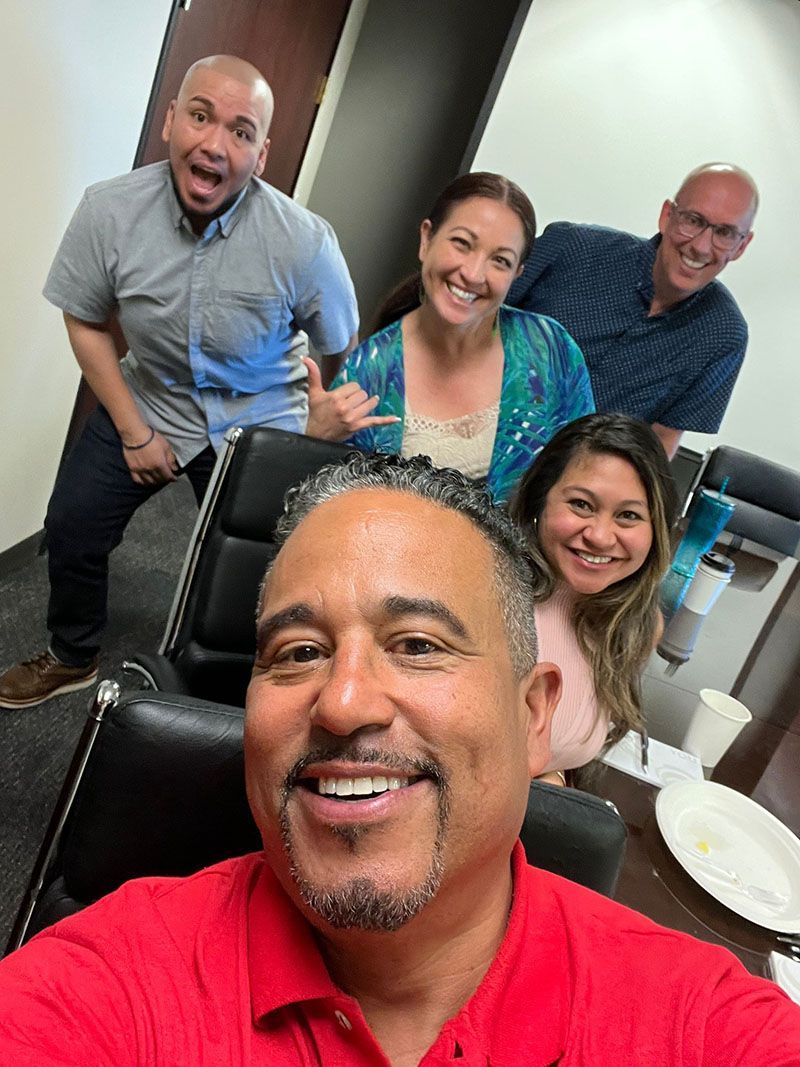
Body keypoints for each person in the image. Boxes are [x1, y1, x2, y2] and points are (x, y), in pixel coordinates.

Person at [0, 453, 798, 1066]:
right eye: (299, 651)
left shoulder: (692, 1019)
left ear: (533, 716)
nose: (343, 702)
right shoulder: (113, 981)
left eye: (417, 644)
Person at [0, 54, 358, 710]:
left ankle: (243, 687)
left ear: (261, 154)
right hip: (151, 396)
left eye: (241, 132)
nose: (215, 144)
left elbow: (338, 343)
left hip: (260, 417)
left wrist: (314, 428)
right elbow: (85, 320)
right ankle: (72, 654)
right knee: (73, 522)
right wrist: (134, 433)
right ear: (170, 119)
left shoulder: (305, 242)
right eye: (200, 116)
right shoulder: (109, 211)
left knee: (266, 569)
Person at [305, 171, 594, 503]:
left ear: (517, 274)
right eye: (462, 243)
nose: (473, 274)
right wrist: (314, 439)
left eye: (500, 261)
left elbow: (588, 471)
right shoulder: (370, 372)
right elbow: (330, 506)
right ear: (426, 239)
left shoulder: (551, 350)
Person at [507, 162, 758, 458]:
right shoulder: (571, 248)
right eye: (693, 220)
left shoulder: (724, 334)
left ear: (741, 246)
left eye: (725, 233)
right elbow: (477, 316)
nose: (702, 247)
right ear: (667, 216)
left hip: (575, 478)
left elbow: (661, 440)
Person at [510, 414, 678, 781]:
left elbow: (557, 752)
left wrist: (554, 782)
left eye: (628, 515)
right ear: (541, 500)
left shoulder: (636, 626)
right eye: (582, 505)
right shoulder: (486, 594)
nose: (600, 537)